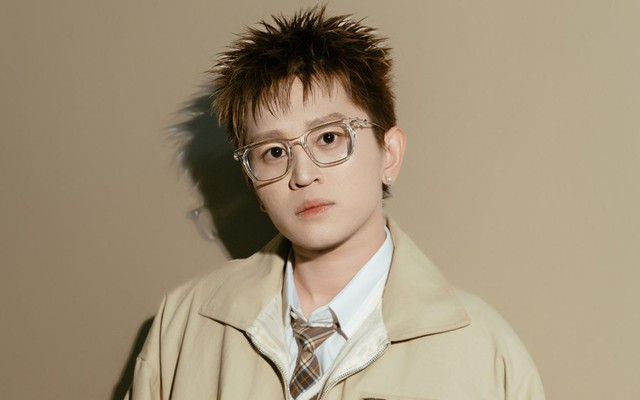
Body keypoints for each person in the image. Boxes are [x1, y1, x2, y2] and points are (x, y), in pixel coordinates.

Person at [127, 6, 545, 400]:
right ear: (253, 184)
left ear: (389, 154)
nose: (302, 174)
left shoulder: (484, 352)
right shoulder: (185, 322)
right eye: (274, 152)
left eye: (328, 137)